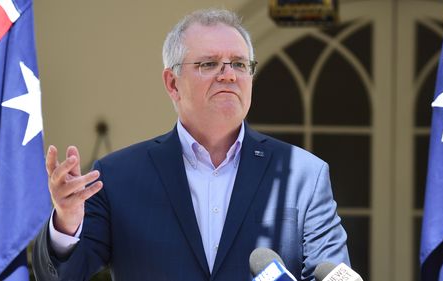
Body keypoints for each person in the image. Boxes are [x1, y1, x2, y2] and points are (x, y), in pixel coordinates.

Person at [32, 8, 349, 281]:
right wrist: (66, 221)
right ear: (172, 83)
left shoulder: (305, 176)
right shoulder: (117, 177)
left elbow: (333, 270)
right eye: (209, 64)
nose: (228, 75)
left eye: (239, 64)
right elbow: (62, 276)